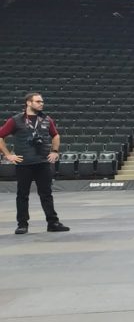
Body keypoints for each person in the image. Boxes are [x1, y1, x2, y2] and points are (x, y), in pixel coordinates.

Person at [0, 92, 70, 235]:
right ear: (28, 103)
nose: (41, 104)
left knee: (46, 194)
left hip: (43, 163)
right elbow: (0, 136)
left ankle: (53, 223)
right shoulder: (15, 120)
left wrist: (55, 151)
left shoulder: (46, 119)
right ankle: (22, 224)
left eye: (42, 101)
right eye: (38, 101)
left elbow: (55, 135)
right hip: (24, 163)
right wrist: (7, 155)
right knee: (22, 195)